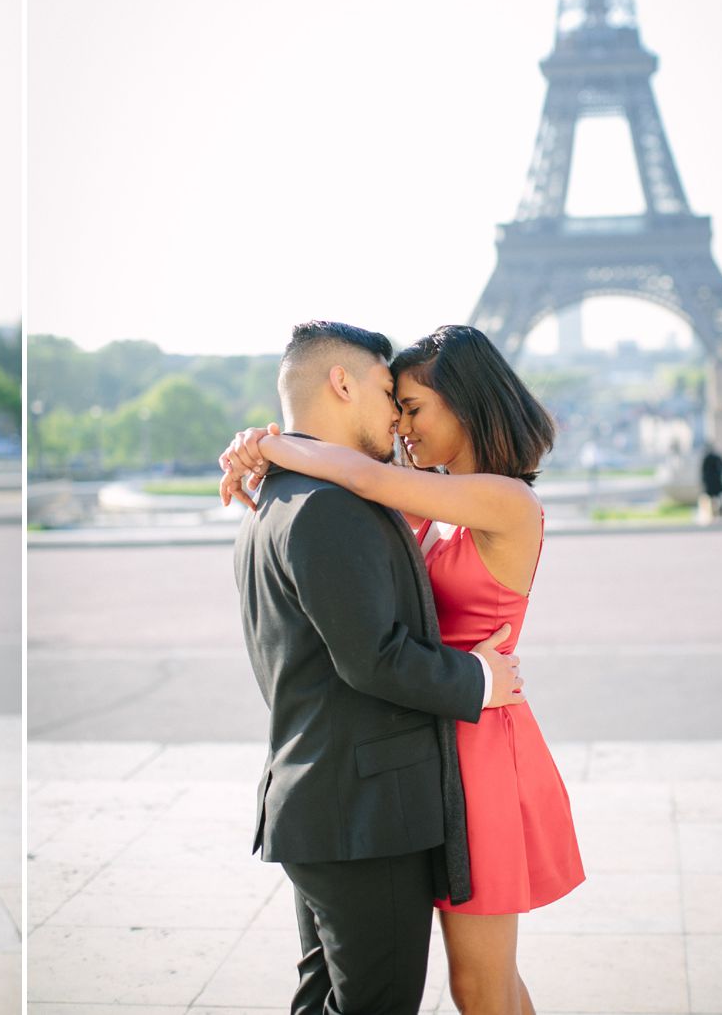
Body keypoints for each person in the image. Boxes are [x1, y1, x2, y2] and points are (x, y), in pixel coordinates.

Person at [221, 322, 585, 1015]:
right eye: (396, 403)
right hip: (429, 738)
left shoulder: (504, 500)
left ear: (467, 405)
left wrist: (264, 442)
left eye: (412, 407)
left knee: (479, 984)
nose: (400, 423)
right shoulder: (427, 498)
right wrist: (267, 447)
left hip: (476, 740)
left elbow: (358, 472)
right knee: (487, 982)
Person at [700, 443, 722, 520]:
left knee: (714, 498)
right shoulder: (713, 458)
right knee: (717, 497)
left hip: (712, 481)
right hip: (714, 481)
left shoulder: (708, 458)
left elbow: (703, 471)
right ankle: (717, 511)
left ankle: (716, 511)